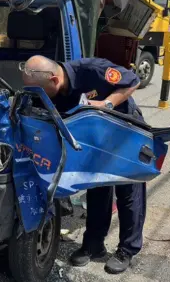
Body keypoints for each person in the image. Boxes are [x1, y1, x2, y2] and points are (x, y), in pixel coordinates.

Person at [21, 55, 144, 275]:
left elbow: (133, 80)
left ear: (54, 81)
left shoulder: (93, 70)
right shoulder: (49, 89)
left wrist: (106, 104)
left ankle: (127, 249)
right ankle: (94, 244)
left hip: (122, 127)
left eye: (40, 93)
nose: (37, 98)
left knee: (128, 188)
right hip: (94, 134)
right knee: (97, 186)